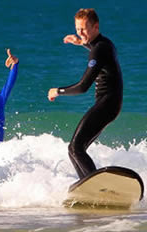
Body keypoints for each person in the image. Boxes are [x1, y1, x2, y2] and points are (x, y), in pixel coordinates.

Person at [47, 8, 123, 179]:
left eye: (83, 29)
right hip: (109, 104)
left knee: (75, 148)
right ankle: (87, 185)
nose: (80, 33)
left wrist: (58, 91)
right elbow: (95, 47)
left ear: (96, 26)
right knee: (74, 149)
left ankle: (97, 187)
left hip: (107, 104)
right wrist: (80, 42)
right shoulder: (104, 43)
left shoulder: (100, 49)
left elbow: (83, 87)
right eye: (77, 29)